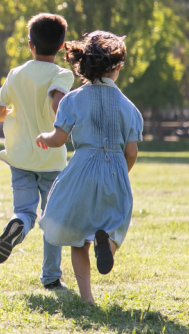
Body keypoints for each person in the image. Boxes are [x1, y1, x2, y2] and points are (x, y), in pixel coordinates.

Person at [36, 31, 143, 304]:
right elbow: (131, 152)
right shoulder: (129, 108)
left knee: (78, 237)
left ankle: (87, 299)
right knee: (115, 225)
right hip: (115, 170)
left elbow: (58, 139)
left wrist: (43, 137)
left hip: (81, 170)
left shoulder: (72, 99)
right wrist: (121, 174)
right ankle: (107, 244)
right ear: (117, 67)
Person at [0, 13, 75, 290]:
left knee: (25, 211)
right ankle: (51, 277)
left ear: (30, 45)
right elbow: (57, 104)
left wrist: (17, 113)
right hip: (51, 158)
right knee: (52, 218)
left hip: (20, 157)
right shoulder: (62, 74)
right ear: (61, 47)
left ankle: (17, 224)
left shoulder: (16, 74)